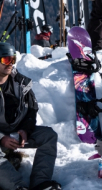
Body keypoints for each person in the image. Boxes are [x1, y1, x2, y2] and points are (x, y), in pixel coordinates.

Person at [0, 43, 60, 190]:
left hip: (15, 132)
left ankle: (40, 182)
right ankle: (18, 186)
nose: (10, 64)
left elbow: (32, 109)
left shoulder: (21, 83)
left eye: (13, 60)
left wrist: (25, 130)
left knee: (48, 136)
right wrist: (1, 138)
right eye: (5, 60)